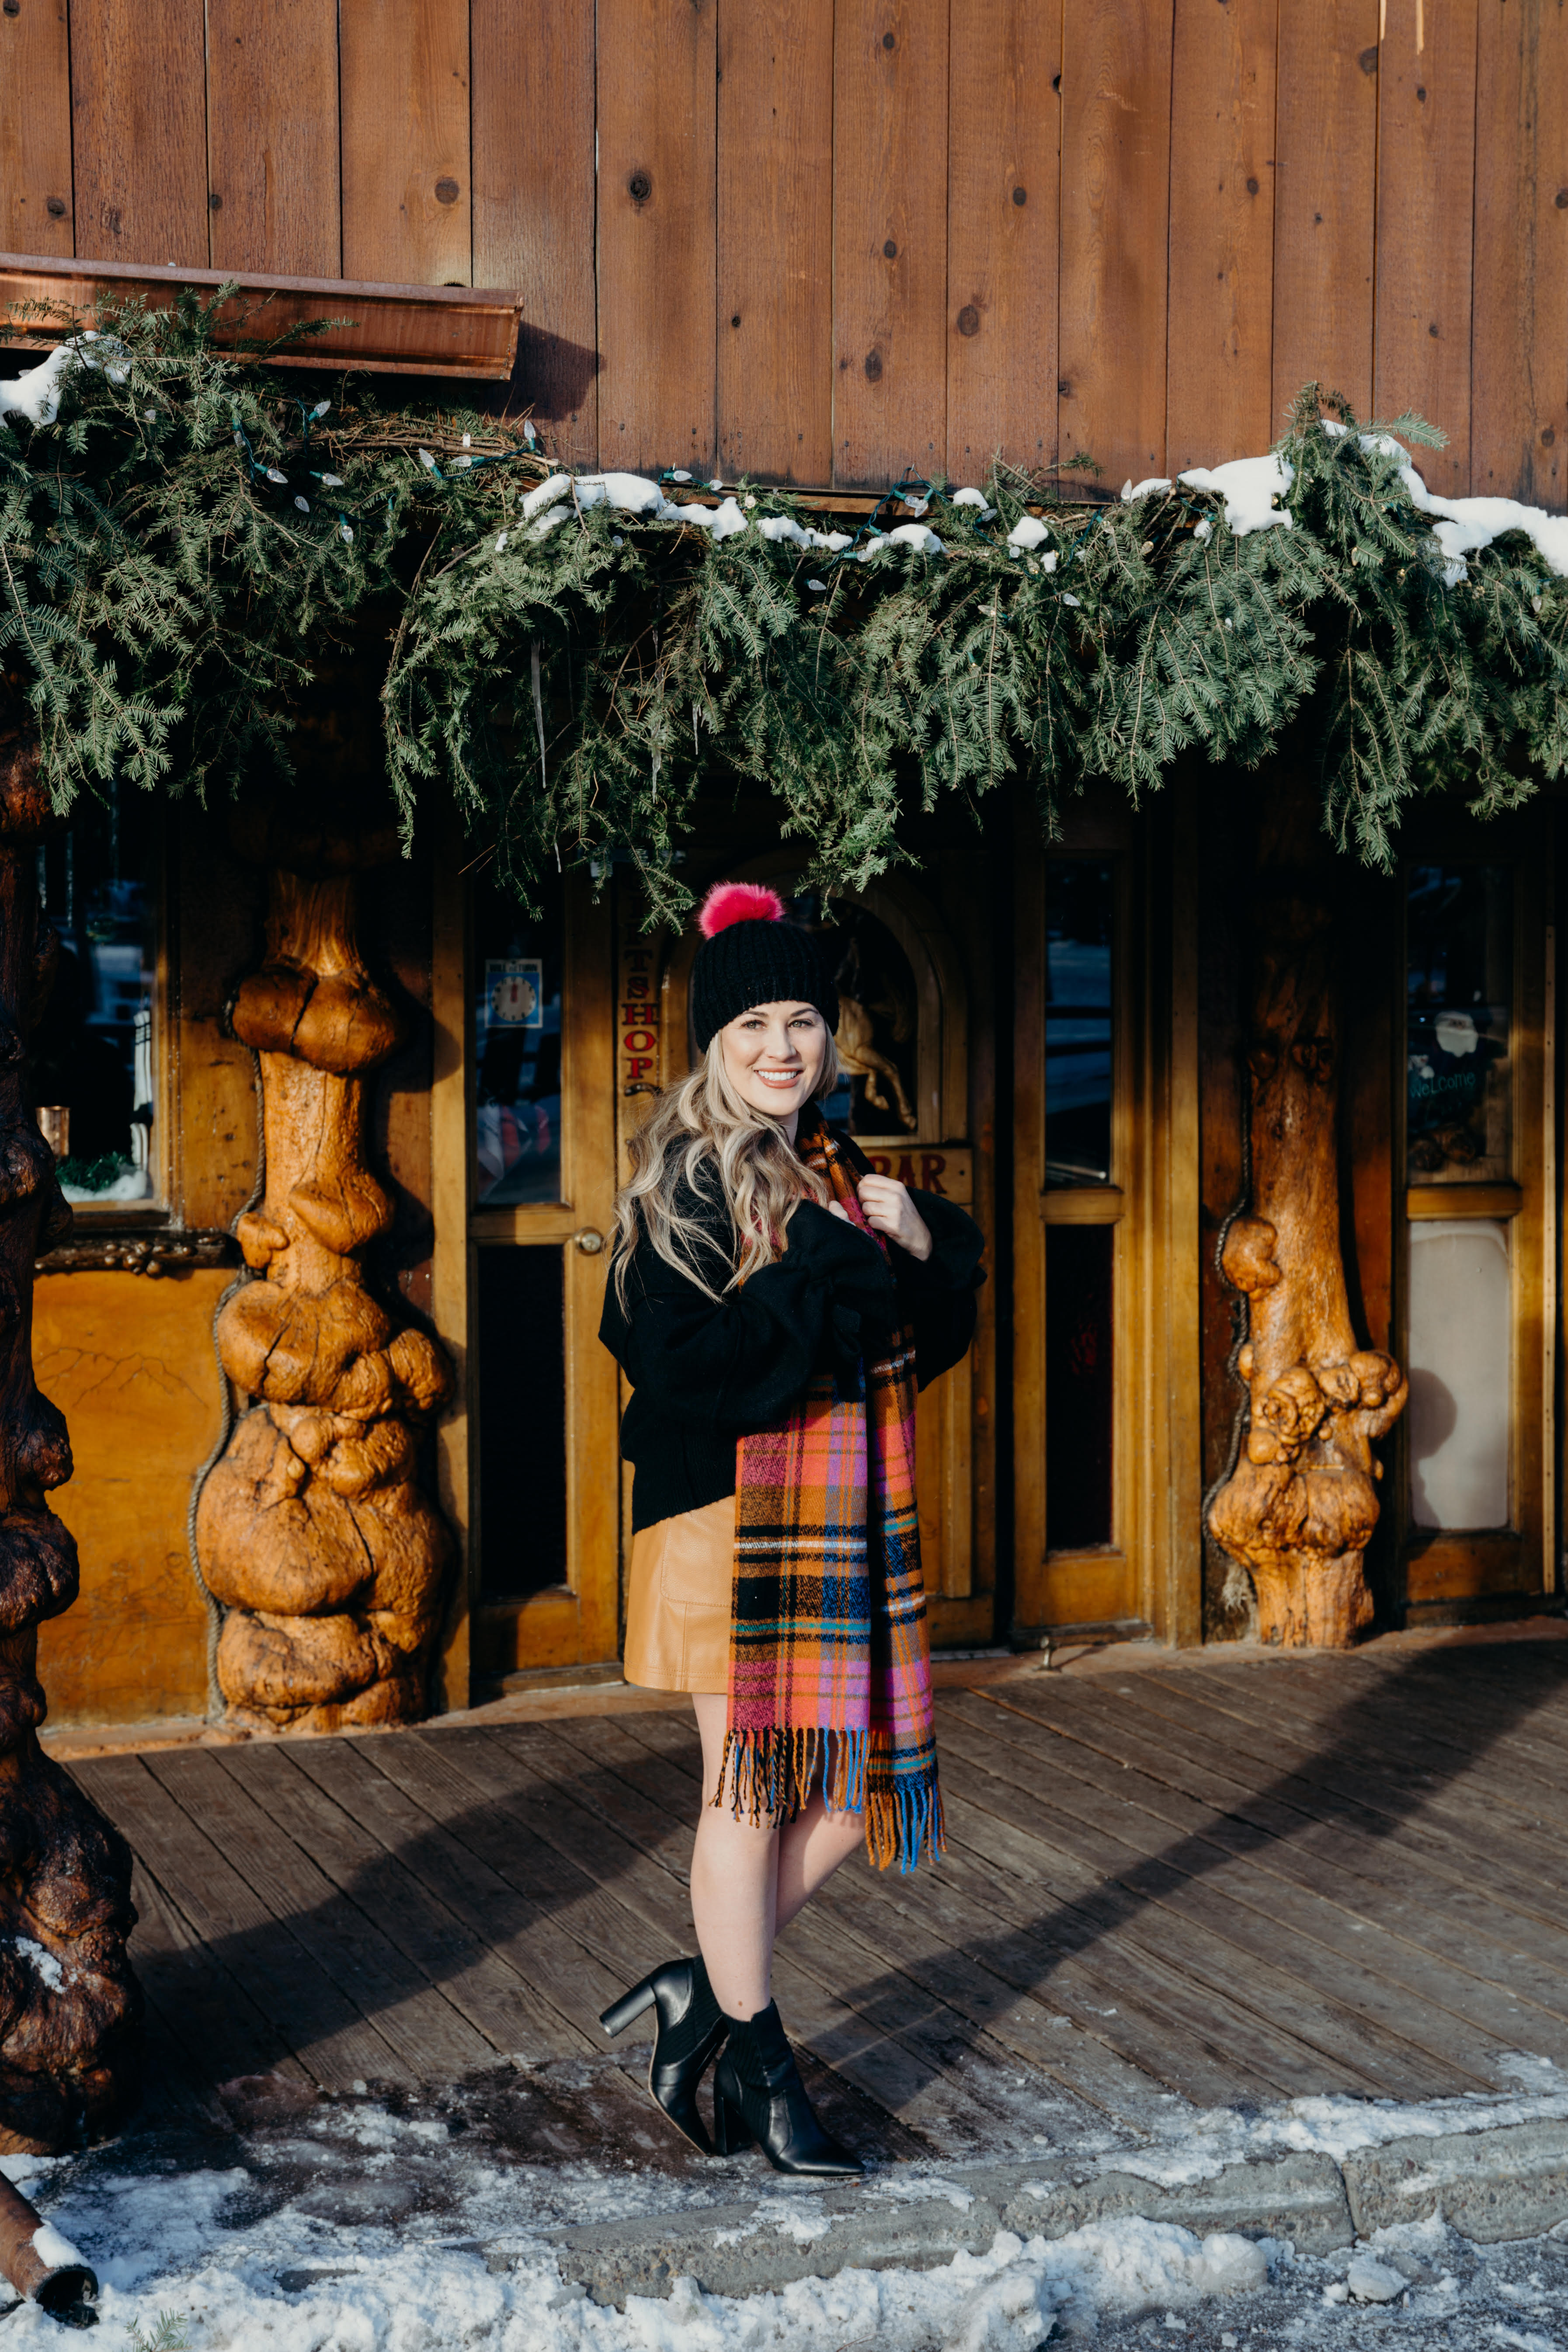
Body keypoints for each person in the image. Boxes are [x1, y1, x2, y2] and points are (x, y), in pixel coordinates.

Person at [597, 881, 984, 2176]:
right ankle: (765, 2066)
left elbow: (904, 1345)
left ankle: (698, 1993)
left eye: (803, 1020)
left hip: (823, 1529)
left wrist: (921, 1242)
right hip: (725, 1520)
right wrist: (811, 1272)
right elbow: (685, 1364)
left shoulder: (835, 1165)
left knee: (834, 1791)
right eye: (753, 1021)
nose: (781, 1045)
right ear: (714, 1042)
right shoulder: (693, 1175)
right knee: (749, 1792)